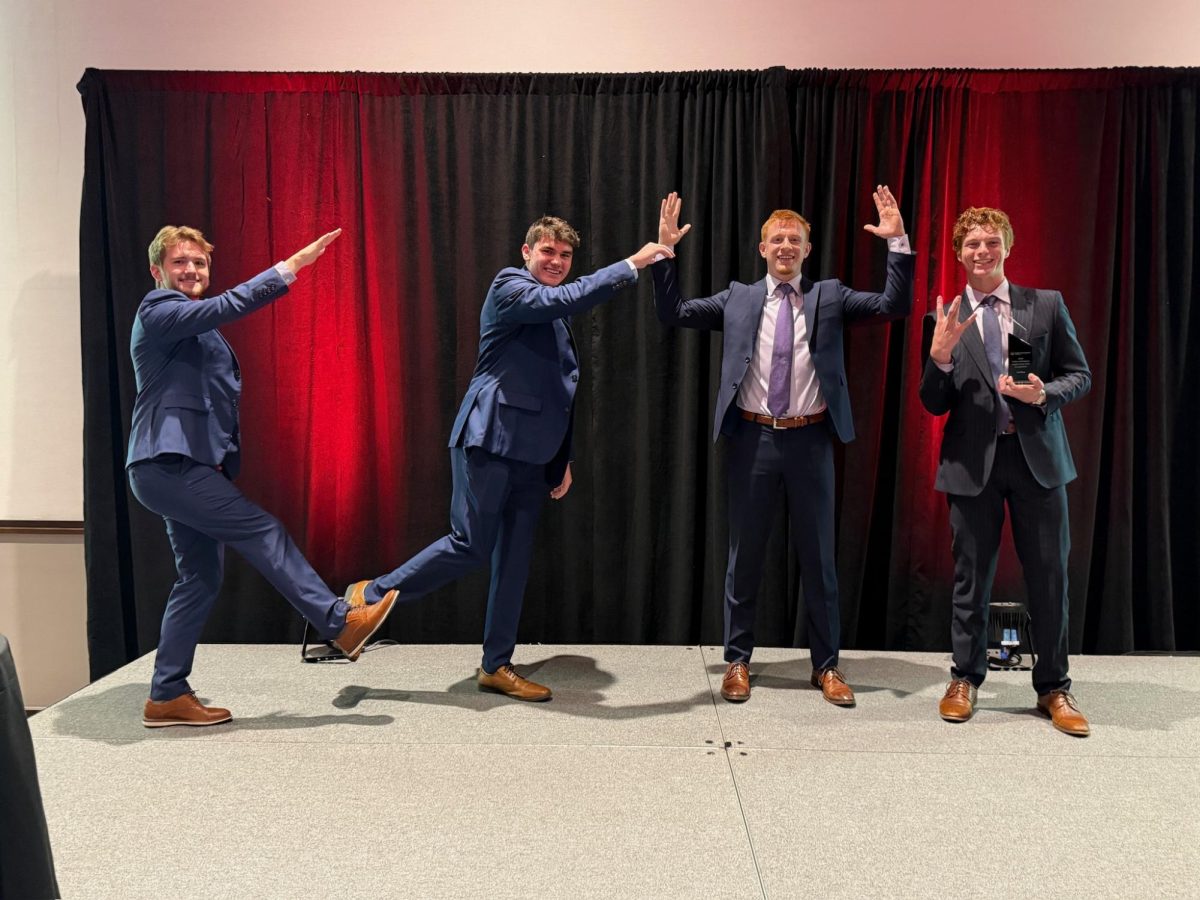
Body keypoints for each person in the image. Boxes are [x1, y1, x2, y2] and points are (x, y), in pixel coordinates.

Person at [347, 218, 673, 701]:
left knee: (514, 563)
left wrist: (562, 458)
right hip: (489, 439)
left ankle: (495, 665)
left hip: (534, 456)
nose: (556, 262)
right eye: (548, 251)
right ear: (526, 251)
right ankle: (369, 595)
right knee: (469, 545)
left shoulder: (555, 313)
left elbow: (559, 393)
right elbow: (563, 299)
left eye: (564, 256)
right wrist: (634, 262)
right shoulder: (511, 286)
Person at [652, 188, 914, 706]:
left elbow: (894, 304)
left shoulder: (831, 296)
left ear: (807, 250)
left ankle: (827, 667)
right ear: (762, 248)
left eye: (795, 239)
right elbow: (674, 311)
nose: (786, 246)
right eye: (777, 239)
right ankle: (737, 662)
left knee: (819, 558)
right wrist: (664, 251)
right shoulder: (739, 297)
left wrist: (898, 242)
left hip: (811, 440)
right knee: (744, 556)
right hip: (753, 438)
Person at [128, 226, 396, 728]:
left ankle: (166, 695)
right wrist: (287, 268)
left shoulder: (194, 326)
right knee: (262, 530)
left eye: (199, 264)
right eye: (180, 262)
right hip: (166, 462)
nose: (191, 271)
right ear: (157, 271)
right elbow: (224, 307)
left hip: (182, 465)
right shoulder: (158, 309)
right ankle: (339, 623)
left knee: (200, 577)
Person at [919, 206, 1092, 736]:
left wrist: (1044, 392)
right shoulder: (944, 317)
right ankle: (965, 679)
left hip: (1036, 460)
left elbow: (1078, 375)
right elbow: (932, 402)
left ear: (1007, 247)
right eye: (971, 244)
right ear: (958, 253)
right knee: (972, 580)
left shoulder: (1043, 306)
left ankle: (1054, 689)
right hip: (973, 466)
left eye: (991, 242)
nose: (982, 252)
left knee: (1049, 580)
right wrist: (941, 359)